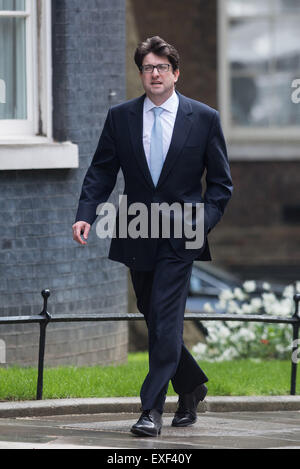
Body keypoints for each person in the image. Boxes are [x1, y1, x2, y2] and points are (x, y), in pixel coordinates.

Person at [73, 36, 233, 437]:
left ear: (175, 73)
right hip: (136, 231)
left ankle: (151, 410)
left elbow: (220, 185)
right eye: (148, 68)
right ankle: (192, 385)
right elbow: (101, 171)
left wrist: (203, 222)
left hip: (182, 237)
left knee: (164, 316)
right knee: (152, 311)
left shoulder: (205, 118)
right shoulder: (121, 117)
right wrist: (85, 215)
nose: (155, 74)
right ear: (141, 74)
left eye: (162, 67)